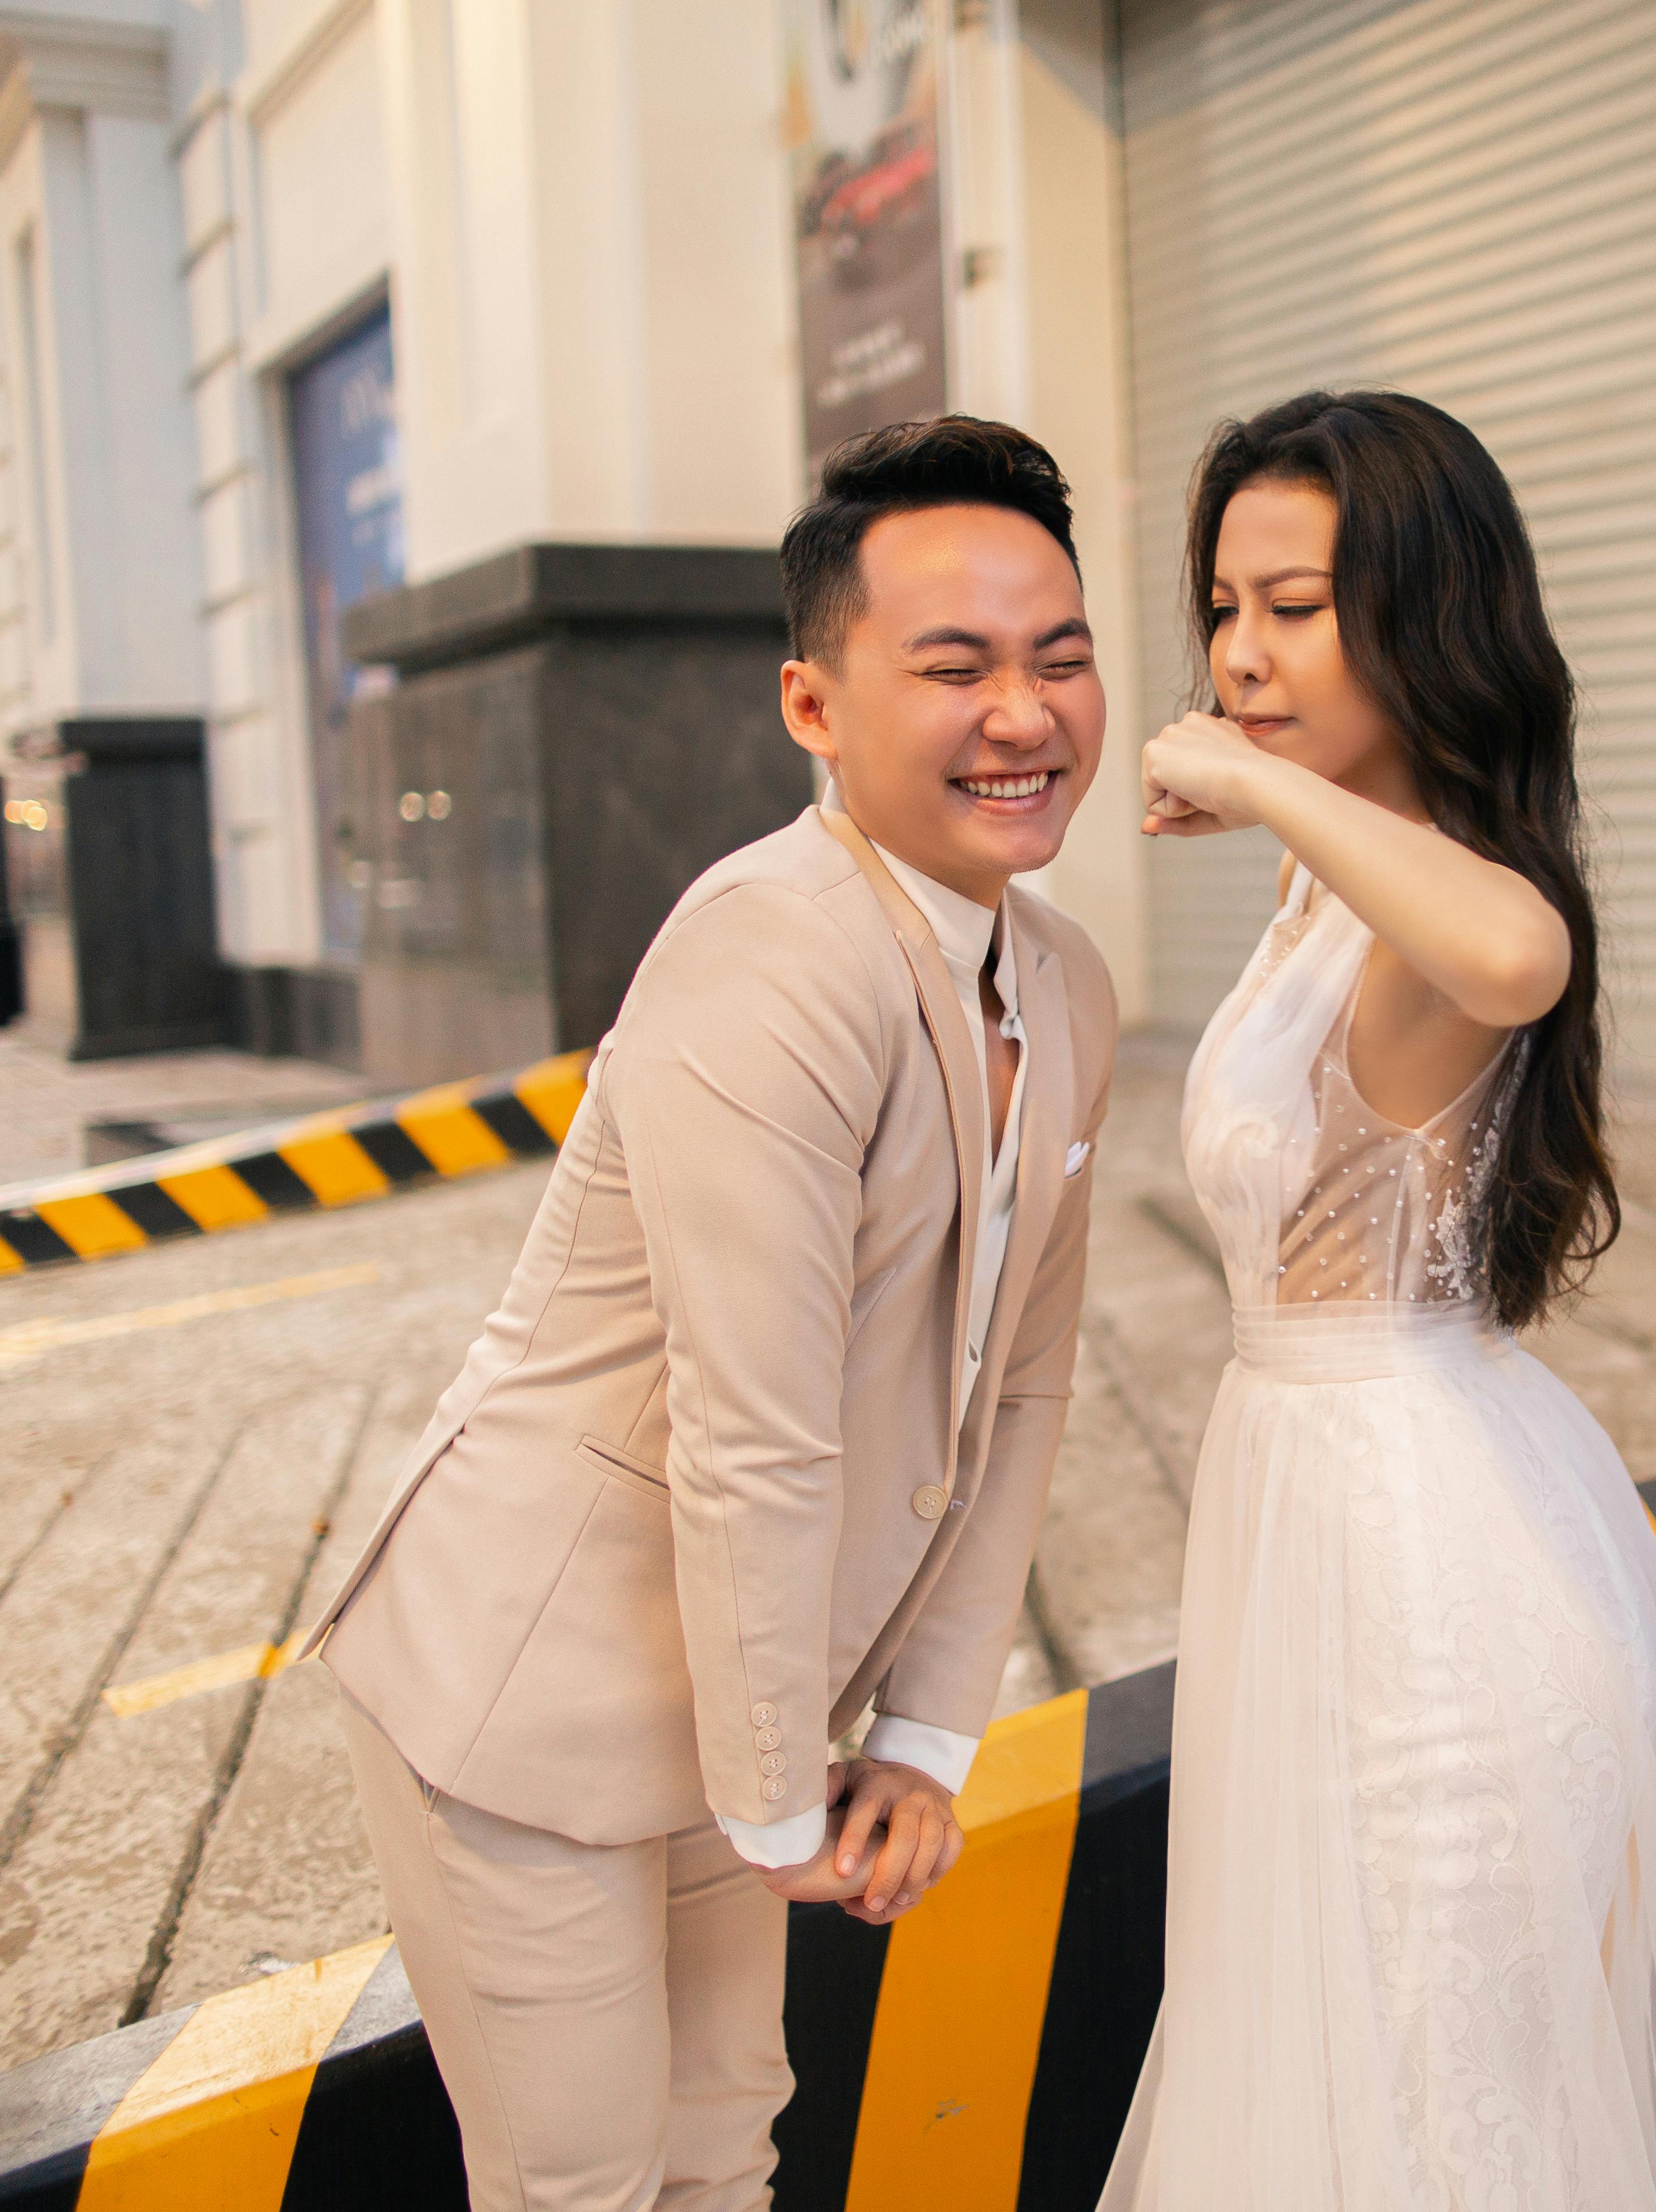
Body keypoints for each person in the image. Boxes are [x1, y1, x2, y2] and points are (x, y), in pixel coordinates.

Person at [304, 415, 1117, 2212]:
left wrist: (918, 1730)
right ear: (814, 706)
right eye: (956, 665)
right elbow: (757, 1420)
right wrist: (780, 1798)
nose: (1026, 712)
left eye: (1062, 656)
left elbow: (1023, 1388)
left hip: (738, 1675)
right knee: (579, 2182)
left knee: (724, 2143)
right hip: (531, 1677)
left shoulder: (1062, 981)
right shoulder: (770, 946)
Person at [1100, 391, 1656, 2209]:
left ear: (1425, 613)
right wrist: (1290, 801)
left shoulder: (1467, 901)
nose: (1241, 656)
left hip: (1427, 1568)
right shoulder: (1328, 873)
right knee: (1356, 2066)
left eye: (1298, 606)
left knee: (1439, 2090)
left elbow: (1519, 953)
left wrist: (1257, 775)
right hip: (1326, 1515)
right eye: (1224, 603)